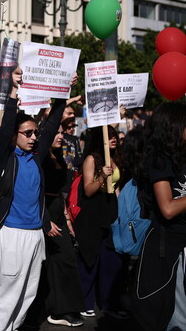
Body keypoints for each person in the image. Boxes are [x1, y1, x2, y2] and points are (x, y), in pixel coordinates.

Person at [0, 68, 68, 331]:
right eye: (28, 133)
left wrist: (62, 92)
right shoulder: (5, 157)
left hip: (35, 235)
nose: (34, 137)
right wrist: (13, 92)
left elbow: (52, 125)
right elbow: (4, 131)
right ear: (15, 136)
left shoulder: (35, 157)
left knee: (28, 293)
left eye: (35, 133)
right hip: (12, 234)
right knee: (8, 290)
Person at [131, 103, 186, 330]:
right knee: (165, 315)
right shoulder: (159, 160)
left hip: (181, 244)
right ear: (173, 127)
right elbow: (168, 208)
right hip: (167, 248)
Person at [73, 125, 127, 319]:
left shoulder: (115, 159)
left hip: (111, 212)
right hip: (93, 214)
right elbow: (88, 190)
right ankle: (84, 303)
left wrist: (122, 210)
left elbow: (117, 187)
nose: (113, 139)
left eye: (114, 136)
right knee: (89, 259)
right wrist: (102, 176)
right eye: (109, 136)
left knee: (111, 261)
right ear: (100, 139)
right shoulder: (91, 159)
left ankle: (109, 303)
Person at [41, 126, 85, 327]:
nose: (61, 135)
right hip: (44, 212)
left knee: (66, 259)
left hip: (59, 211)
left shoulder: (59, 156)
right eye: (56, 131)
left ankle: (65, 307)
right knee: (56, 261)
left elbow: (60, 193)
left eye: (61, 131)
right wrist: (44, 219)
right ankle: (58, 310)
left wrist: (67, 219)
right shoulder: (39, 158)